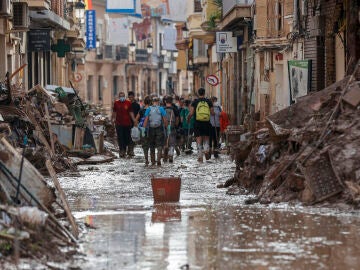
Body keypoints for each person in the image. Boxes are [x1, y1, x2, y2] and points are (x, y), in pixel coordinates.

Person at [187, 87, 214, 162]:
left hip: (197, 123)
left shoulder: (195, 102)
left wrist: (188, 118)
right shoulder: (208, 101)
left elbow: (191, 113)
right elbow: (212, 113)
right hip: (206, 122)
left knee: (198, 139)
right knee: (206, 138)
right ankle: (206, 150)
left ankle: (200, 156)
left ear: (198, 93)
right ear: (204, 93)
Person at [143, 96, 168, 166]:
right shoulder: (161, 108)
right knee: (159, 144)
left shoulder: (148, 109)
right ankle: (159, 160)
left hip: (151, 128)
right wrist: (167, 127)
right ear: (159, 102)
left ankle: (153, 161)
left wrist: (143, 130)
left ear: (152, 102)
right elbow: (165, 119)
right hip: (159, 128)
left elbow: (146, 120)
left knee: (152, 145)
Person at [111, 92, 137, 158]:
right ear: (119, 97)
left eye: (123, 96)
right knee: (120, 137)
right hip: (119, 123)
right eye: (120, 96)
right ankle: (122, 151)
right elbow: (114, 112)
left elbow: (131, 112)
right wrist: (112, 119)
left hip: (127, 123)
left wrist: (134, 120)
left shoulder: (128, 103)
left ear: (125, 96)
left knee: (127, 137)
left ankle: (129, 150)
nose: (122, 97)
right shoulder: (116, 103)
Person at [163, 96, 180, 163]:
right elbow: (177, 119)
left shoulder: (163, 109)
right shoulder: (175, 109)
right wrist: (176, 125)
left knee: (165, 141)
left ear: (165, 101)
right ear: (172, 101)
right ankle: (171, 155)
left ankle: (164, 156)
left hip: (164, 127)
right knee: (172, 142)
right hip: (172, 126)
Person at [136, 95, 151, 166]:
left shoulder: (141, 110)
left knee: (144, 145)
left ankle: (146, 159)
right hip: (151, 129)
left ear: (144, 102)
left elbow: (136, 119)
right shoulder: (151, 110)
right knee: (151, 144)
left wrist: (138, 126)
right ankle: (153, 159)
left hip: (142, 130)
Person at [127, 91, 141, 157]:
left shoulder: (137, 105)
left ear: (133, 97)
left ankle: (131, 150)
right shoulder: (126, 104)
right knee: (127, 136)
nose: (130, 99)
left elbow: (139, 114)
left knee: (133, 137)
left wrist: (138, 122)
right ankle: (128, 149)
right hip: (127, 122)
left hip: (134, 123)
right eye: (129, 97)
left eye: (131, 97)